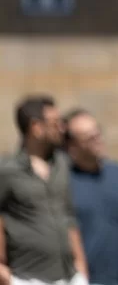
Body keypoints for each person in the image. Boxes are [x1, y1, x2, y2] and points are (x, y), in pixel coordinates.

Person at [0, 96, 88, 285]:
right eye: (55, 123)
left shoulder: (62, 165)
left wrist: (81, 268)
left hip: (70, 276)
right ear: (36, 127)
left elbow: (69, 218)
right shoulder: (7, 171)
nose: (62, 128)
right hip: (28, 278)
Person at [63, 109, 118, 285]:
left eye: (98, 132)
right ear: (72, 146)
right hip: (77, 280)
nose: (97, 139)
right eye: (89, 137)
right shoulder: (63, 181)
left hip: (117, 279)